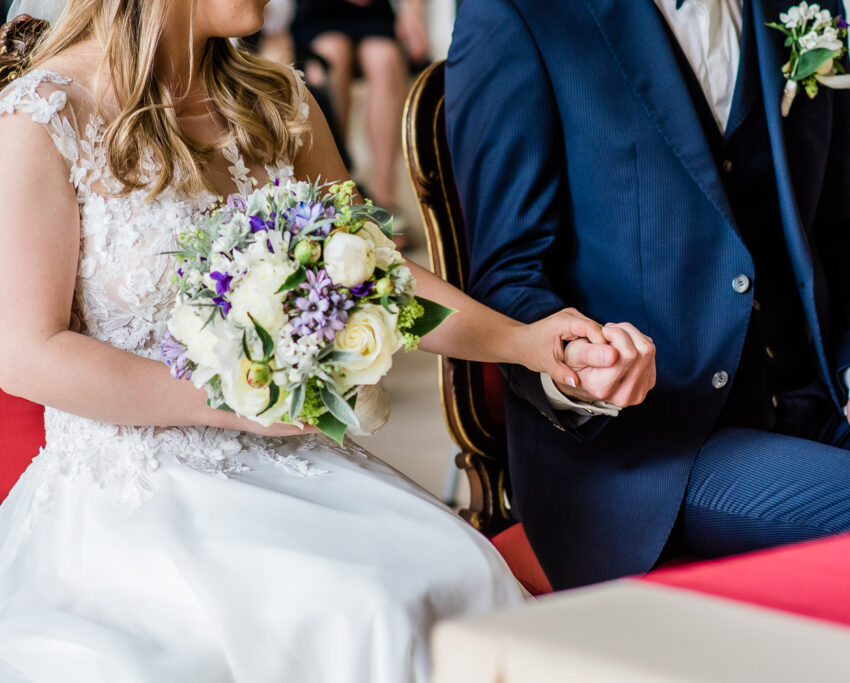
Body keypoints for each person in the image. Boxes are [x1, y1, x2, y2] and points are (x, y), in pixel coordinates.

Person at [0, 1, 630, 680]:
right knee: (358, 611)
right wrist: (231, 403)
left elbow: (377, 276)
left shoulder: (277, 101)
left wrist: (527, 342)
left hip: (295, 463)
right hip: (131, 493)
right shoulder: (45, 114)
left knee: (452, 572)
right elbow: (26, 351)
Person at [445, 0, 850, 590]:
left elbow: (847, 233)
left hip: (816, 392)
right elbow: (507, 275)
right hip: (655, 443)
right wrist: (574, 361)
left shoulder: (809, 5)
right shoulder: (518, 11)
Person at [291, 0, 429, 247]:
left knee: (385, 58)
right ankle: (336, 193)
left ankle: (384, 198)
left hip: (374, 13)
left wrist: (413, 14)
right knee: (330, 54)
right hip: (318, 14)